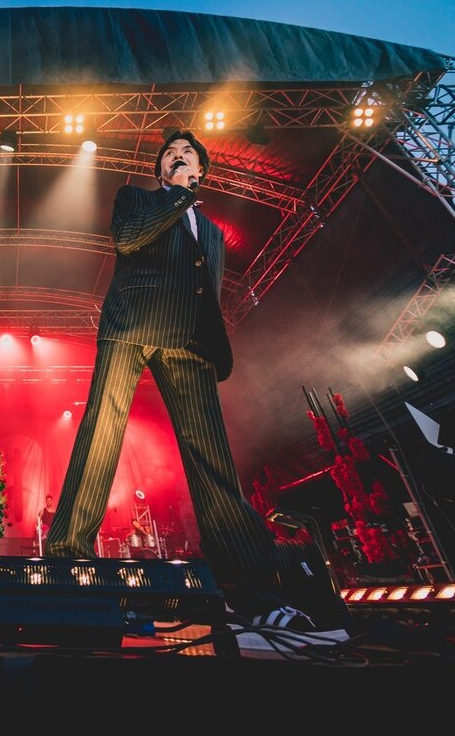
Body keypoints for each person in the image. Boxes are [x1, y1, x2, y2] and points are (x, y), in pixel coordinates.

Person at [44, 130, 349, 648]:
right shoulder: (136, 198)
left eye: (187, 153)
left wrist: (213, 344)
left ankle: (252, 595)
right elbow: (128, 240)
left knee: (213, 462)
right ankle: (68, 561)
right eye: (170, 154)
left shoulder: (209, 230)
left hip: (190, 341)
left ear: (202, 168)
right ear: (161, 169)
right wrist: (178, 196)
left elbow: (209, 290)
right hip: (132, 323)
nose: (177, 157)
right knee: (102, 433)